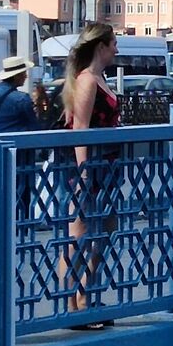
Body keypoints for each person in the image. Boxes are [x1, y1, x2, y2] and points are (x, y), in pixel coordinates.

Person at [62, 23, 121, 325]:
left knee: (105, 230)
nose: (116, 49)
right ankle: (72, 303)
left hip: (106, 165)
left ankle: (85, 295)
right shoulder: (87, 81)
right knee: (80, 233)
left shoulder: (99, 78)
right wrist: (84, 172)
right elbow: (80, 128)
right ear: (101, 46)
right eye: (113, 44)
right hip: (89, 167)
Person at [0, 55, 43, 133]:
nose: (26, 76)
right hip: (17, 141)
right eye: (24, 73)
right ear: (16, 76)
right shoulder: (22, 99)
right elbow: (34, 127)